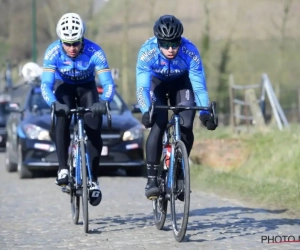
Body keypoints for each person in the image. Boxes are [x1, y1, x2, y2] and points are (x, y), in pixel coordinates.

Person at [136, 14, 217, 200]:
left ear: (180, 40)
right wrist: (145, 111)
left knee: (187, 123)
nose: (170, 49)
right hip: (156, 84)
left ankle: (180, 172)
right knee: (159, 124)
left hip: (181, 84)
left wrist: (204, 113)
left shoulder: (190, 51)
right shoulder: (146, 52)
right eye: (165, 44)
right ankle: (152, 180)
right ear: (158, 42)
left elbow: (199, 86)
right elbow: (142, 87)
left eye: (174, 43)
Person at [41, 13, 116, 206]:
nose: (72, 48)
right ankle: (63, 168)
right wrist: (53, 104)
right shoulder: (52, 52)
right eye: (67, 43)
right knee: (62, 117)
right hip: (63, 88)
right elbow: (45, 85)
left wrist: (104, 101)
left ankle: (93, 180)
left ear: (83, 39)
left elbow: (108, 83)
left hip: (86, 88)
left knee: (94, 129)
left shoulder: (95, 52)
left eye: (76, 43)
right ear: (60, 40)